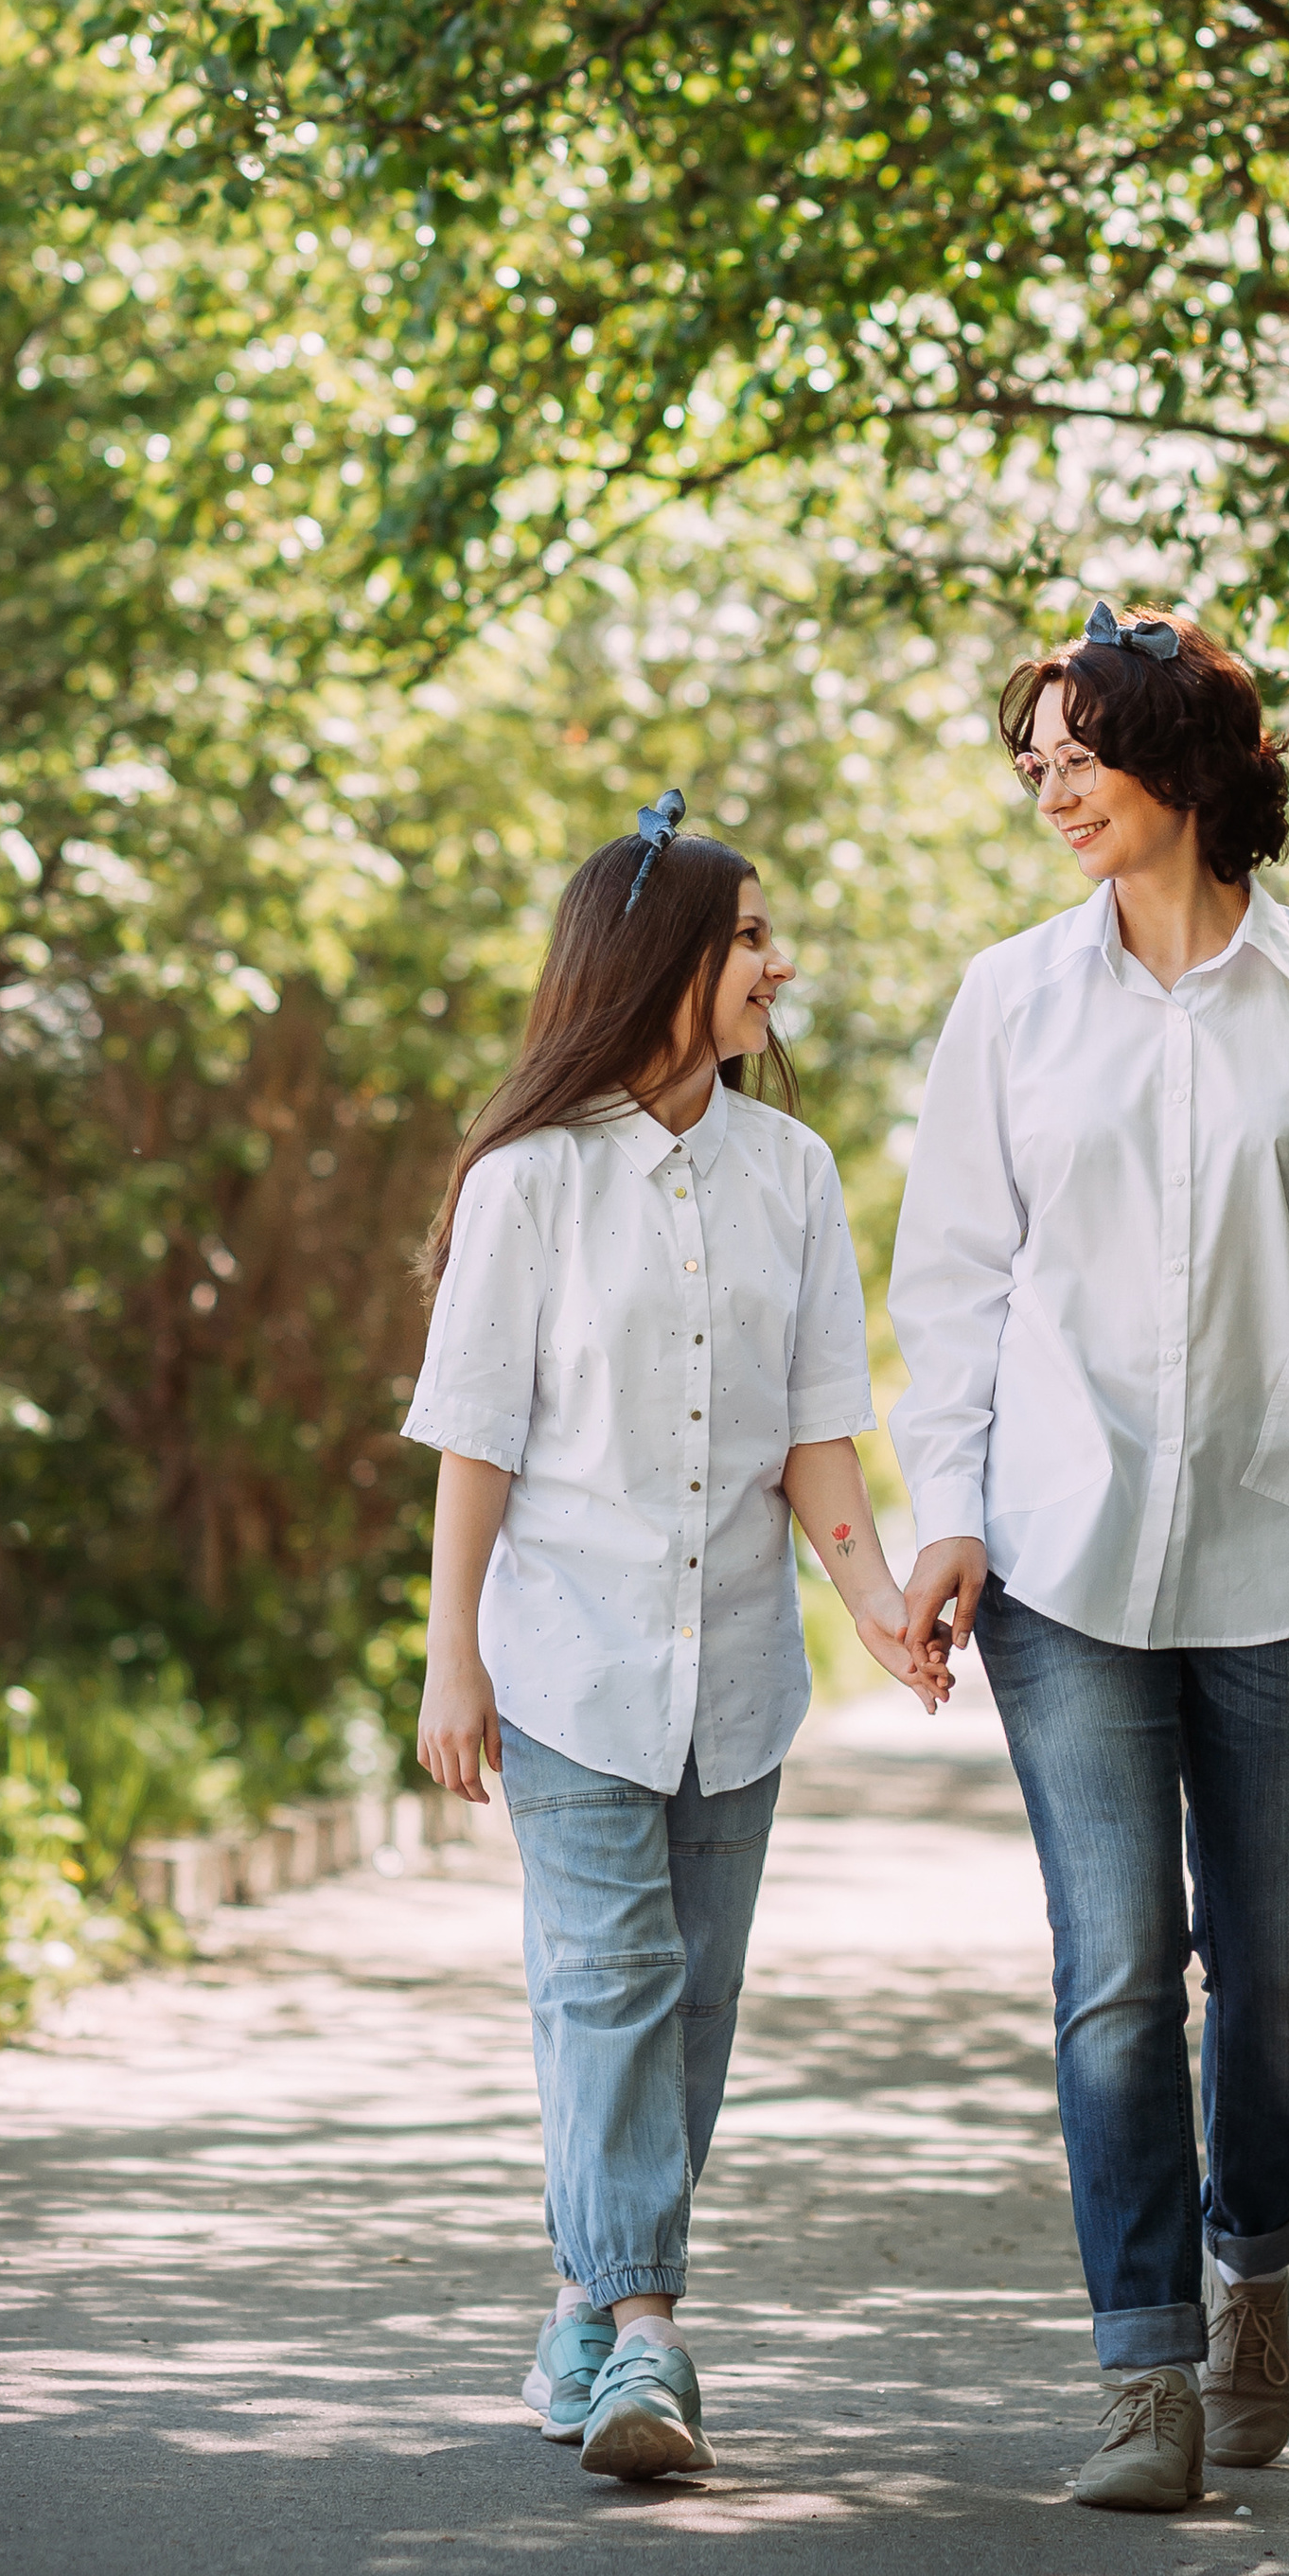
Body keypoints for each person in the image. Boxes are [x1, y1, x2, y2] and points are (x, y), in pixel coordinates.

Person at [891, 604, 1289, 2513]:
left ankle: (1255, 2274)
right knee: (1108, 1974)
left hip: (1283, 1555)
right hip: (1060, 1565)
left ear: (1187, 760)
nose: (1050, 785)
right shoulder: (1007, 1001)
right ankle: (1142, 2375)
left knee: (1279, 1971)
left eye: (1080, 749)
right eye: (1034, 762)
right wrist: (944, 1509)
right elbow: (952, 1288)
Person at [409, 791, 947, 2486]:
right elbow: (477, 1430)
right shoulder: (528, 1180)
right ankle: (648, 2334)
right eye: (750, 941)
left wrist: (873, 1608)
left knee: (687, 2003)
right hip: (563, 1652)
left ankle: (582, 2293)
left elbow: (813, 1437)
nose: (780, 966)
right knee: (613, 1980)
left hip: (736, 1671)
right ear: (662, 966)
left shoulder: (791, 1173)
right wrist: (451, 1656)